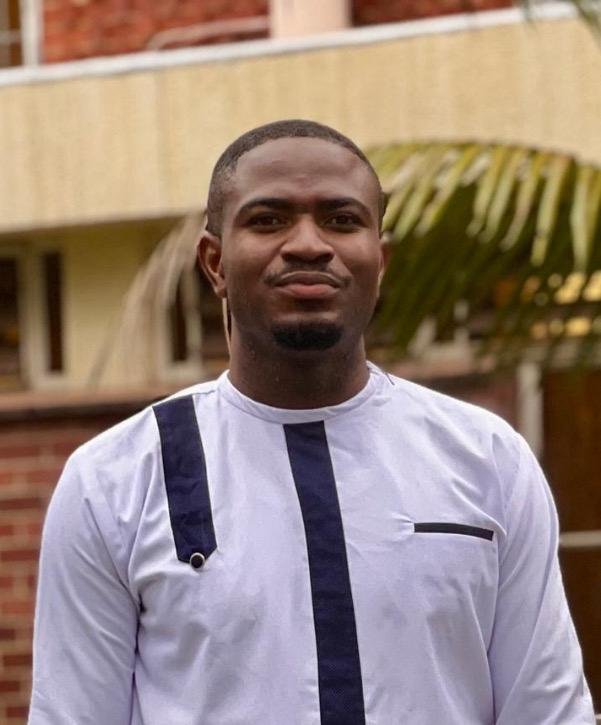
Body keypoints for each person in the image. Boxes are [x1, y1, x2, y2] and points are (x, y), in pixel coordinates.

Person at [29, 119, 594, 725]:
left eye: (341, 219)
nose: (307, 244)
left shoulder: (486, 459)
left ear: (380, 261)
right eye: (269, 219)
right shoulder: (113, 481)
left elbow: (546, 711)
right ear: (214, 262)